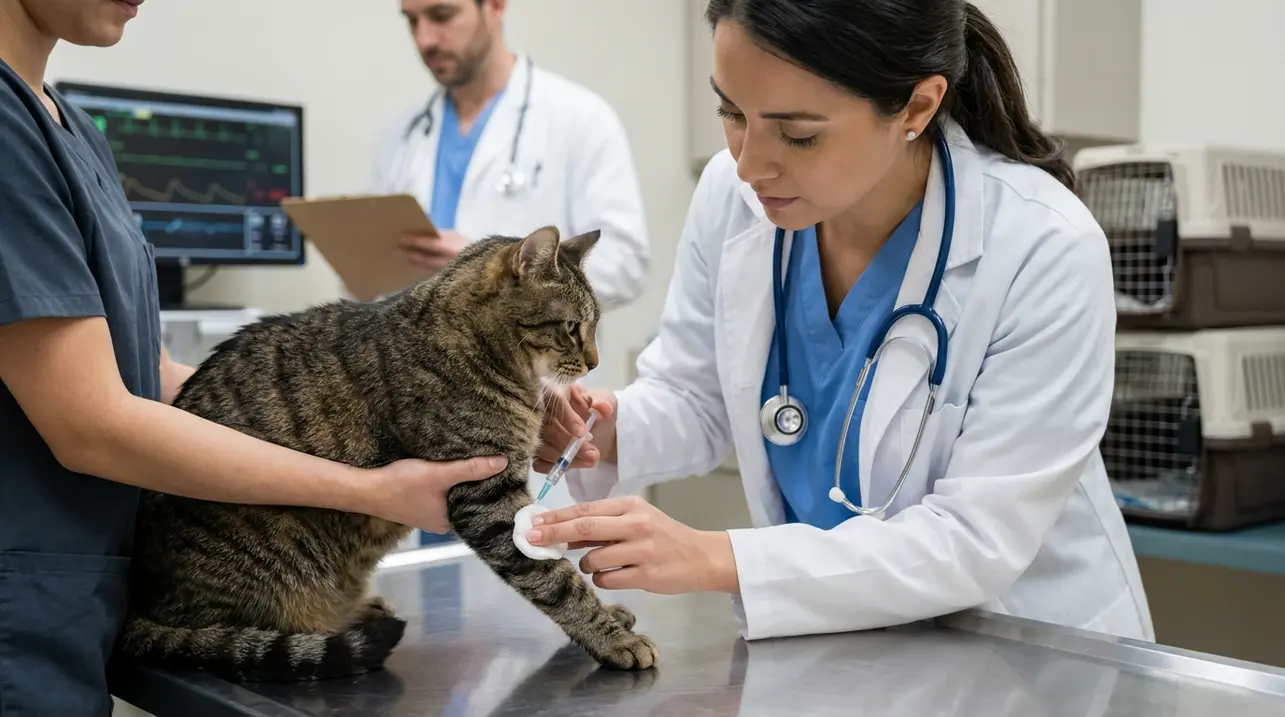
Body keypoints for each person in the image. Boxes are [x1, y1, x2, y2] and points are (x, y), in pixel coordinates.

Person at [527, 0, 1155, 644]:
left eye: (798, 134)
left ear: (916, 108)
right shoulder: (734, 198)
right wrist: (606, 426)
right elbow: (695, 394)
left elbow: (974, 539)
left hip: (1023, 652)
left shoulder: (1043, 244)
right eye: (732, 113)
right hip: (850, 647)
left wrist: (718, 558)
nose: (749, 164)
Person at [0, 1, 507, 714]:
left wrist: (437, 421)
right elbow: (91, 422)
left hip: (71, 609)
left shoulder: (72, 130)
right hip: (20, 614)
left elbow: (154, 377)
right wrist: (371, 490)